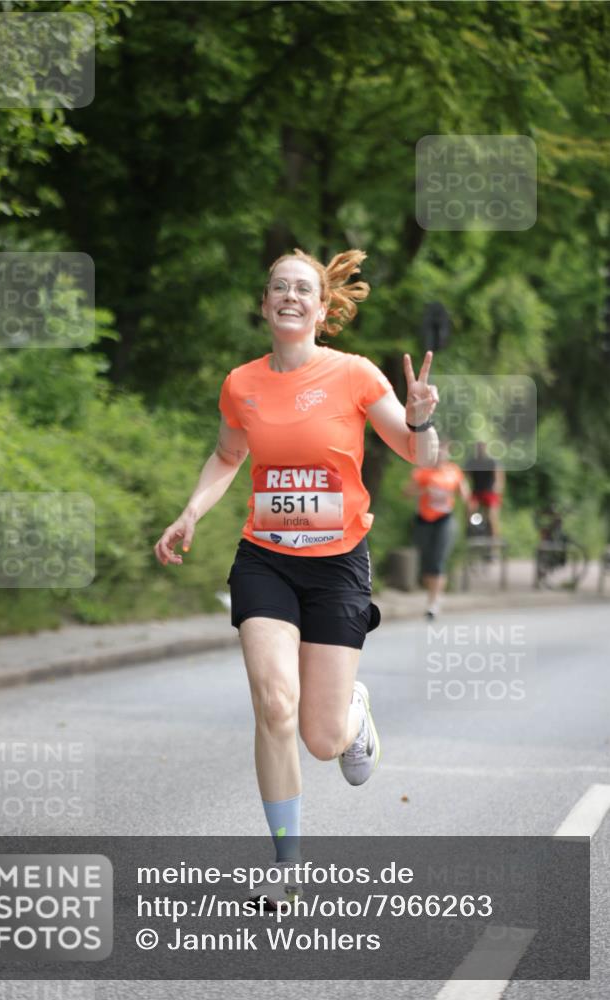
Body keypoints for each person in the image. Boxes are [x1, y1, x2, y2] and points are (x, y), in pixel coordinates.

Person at [154, 248, 439, 906]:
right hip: (266, 560)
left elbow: (416, 451)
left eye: (301, 289)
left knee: (320, 738)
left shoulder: (355, 375)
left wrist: (421, 415)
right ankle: (284, 862)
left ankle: (352, 714)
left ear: (320, 307)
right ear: (264, 304)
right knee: (273, 704)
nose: (288, 296)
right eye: (277, 287)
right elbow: (227, 455)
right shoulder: (241, 383)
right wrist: (191, 512)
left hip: (338, 565)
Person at [405, 439, 470, 619]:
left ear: (448, 453)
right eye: (438, 451)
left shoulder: (454, 472)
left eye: (444, 451)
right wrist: (424, 491)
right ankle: (431, 595)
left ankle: (433, 602)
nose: (441, 454)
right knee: (426, 560)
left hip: (445, 520)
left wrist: (466, 501)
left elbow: (464, 493)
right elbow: (407, 492)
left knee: (438, 560)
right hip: (424, 519)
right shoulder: (422, 472)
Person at [466, 441, 505, 541]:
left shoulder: (491, 461)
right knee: (470, 509)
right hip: (476, 492)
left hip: (490, 492)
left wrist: (498, 487)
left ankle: (494, 546)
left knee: (492, 517)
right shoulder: (472, 462)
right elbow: (465, 476)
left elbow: (499, 477)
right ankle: (470, 534)